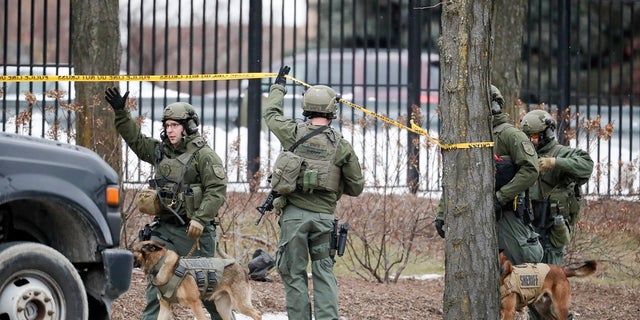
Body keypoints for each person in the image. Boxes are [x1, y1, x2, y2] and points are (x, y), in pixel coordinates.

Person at [104, 87, 227, 320]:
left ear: (189, 126)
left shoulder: (204, 156)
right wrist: (121, 113)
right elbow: (136, 141)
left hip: (194, 233)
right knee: (156, 283)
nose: (170, 130)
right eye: (167, 125)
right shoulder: (161, 151)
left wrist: (200, 219)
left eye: (175, 125)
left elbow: (217, 190)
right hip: (165, 229)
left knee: (207, 289)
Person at [263, 66, 365, 320]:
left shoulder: (292, 133)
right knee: (323, 273)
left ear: (305, 109)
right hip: (323, 219)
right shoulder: (342, 146)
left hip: (294, 219)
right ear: (333, 111)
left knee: (294, 273)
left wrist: (278, 86)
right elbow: (356, 187)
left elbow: (271, 114)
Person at [434, 84, 543, 265]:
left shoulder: (510, 135)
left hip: (507, 214)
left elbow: (531, 170)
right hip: (471, 212)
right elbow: (454, 178)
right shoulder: (467, 137)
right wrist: (442, 212)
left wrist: (500, 197)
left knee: (523, 261)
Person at [521, 109, 594, 265]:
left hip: (551, 228)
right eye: (527, 136)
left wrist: (554, 162)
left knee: (551, 274)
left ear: (546, 134)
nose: (530, 141)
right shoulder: (524, 154)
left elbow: (586, 164)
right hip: (527, 225)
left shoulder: (561, 152)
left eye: (533, 136)